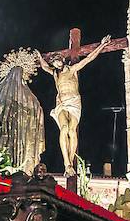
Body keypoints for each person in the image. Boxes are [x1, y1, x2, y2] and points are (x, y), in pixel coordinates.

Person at [37, 36, 111, 176]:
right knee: (63, 129)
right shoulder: (55, 74)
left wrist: (101, 45)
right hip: (61, 103)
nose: (57, 64)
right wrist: (40, 57)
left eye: (58, 61)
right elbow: (44, 66)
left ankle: (70, 163)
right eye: (55, 63)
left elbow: (88, 59)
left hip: (74, 102)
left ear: (62, 60)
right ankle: (67, 163)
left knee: (72, 130)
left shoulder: (72, 70)